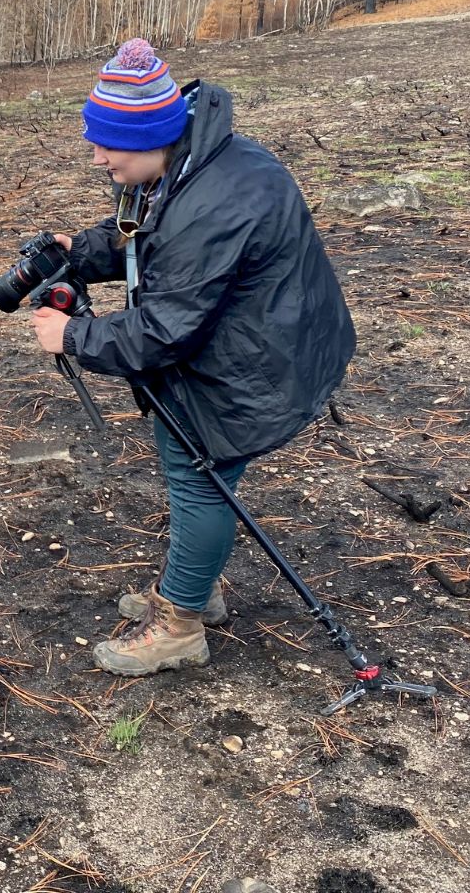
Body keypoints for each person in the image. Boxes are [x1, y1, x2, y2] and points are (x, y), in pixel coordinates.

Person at [29, 38, 356, 678]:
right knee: (204, 479)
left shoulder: (213, 205)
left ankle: (180, 623)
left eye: (108, 146)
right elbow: (144, 233)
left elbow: (161, 332)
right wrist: (82, 248)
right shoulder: (197, 159)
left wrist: (70, 337)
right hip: (264, 336)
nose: (97, 158)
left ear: (152, 133)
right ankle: (193, 588)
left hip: (252, 364)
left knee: (200, 478)